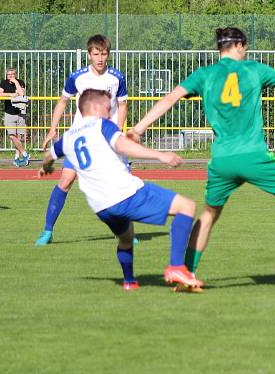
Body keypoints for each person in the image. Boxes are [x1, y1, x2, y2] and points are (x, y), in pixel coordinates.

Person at [129, 27, 275, 288]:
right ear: (237, 45)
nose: (246, 51)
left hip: (222, 161)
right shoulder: (254, 70)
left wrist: (139, 128)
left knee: (210, 212)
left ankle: (186, 272)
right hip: (252, 155)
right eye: (245, 47)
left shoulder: (204, 74)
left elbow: (170, 98)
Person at [39, 89, 202, 291]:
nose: (110, 113)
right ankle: (177, 267)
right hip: (125, 194)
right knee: (187, 206)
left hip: (101, 207)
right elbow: (124, 146)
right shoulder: (102, 125)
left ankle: (129, 282)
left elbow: (49, 155)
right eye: (108, 108)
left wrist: (46, 168)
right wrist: (160, 155)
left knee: (126, 238)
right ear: (96, 107)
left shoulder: (69, 137)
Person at [35, 35, 128, 246]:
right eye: (96, 54)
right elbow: (63, 101)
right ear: (89, 54)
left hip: (106, 140)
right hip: (81, 139)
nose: (100, 58)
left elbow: (123, 106)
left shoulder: (117, 78)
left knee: (116, 185)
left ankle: (124, 231)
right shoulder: (77, 77)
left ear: (108, 54)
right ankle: (47, 231)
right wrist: (52, 129)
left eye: (104, 54)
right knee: (66, 181)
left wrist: (118, 131)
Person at [0, 68, 29, 167]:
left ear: (16, 74)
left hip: (20, 113)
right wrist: (11, 94)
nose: (10, 76)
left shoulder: (20, 82)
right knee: (11, 135)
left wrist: (15, 83)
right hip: (9, 113)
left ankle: (17, 157)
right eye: (8, 74)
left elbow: (22, 93)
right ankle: (25, 154)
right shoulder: (4, 83)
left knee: (19, 137)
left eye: (12, 74)